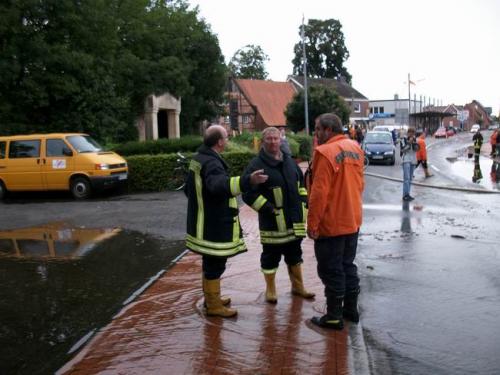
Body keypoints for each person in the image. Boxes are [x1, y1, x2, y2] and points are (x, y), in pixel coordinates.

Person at [185, 125, 268, 318]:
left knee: (209, 262)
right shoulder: (212, 163)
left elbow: (189, 191)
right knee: (216, 263)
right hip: (213, 224)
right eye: (226, 137)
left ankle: (211, 298)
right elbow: (218, 186)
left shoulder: (198, 159)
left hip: (202, 222)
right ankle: (214, 305)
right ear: (220, 142)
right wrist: (248, 181)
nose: (228, 140)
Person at [242, 127, 314, 304]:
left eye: (276, 139)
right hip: (272, 223)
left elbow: (301, 185)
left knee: (295, 254)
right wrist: (267, 208)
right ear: (263, 141)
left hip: (294, 221)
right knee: (270, 257)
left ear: (281, 140)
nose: (273, 142)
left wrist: (304, 202)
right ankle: (271, 290)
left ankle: (298, 287)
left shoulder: (290, 162)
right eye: (269, 139)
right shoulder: (256, 165)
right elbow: (248, 193)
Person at [307, 113, 365, 330]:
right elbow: (361, 184)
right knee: (347, 265)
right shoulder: (355, 147)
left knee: (331, 270)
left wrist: (312, 225)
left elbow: (319, 194)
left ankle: (333, 316)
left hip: (331, 224)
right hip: (352, 220)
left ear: (328, 130)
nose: (315, 134)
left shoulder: (324, 152)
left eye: (317, 129)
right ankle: (351, 310)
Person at [400, 127, 420, 201]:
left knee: (410, 179)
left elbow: (416, 149)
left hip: (413, 160)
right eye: (410, 132)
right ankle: (405, 195)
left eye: (413, 133)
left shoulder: (415, 140)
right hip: (406, 160)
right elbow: (403, 150)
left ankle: (408, 193)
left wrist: (415, 144)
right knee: (406, 178)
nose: (412, 134)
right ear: (408, 133)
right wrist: (409, 143)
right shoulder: (403, 139)